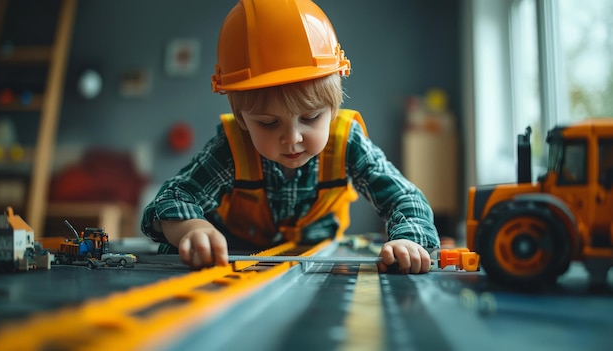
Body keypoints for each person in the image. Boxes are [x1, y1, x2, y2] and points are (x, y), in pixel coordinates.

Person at [141, 0, 440, 274]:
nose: (292, 138)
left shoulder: (347, 141)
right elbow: (171, 199)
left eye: (310, 118)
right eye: (269, 123)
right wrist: (192, 229)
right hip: (236, 256)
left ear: (333, 109)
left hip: (319, 259)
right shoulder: (232, 147)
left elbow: (405, 198)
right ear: (243, 119)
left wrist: (409, 240)